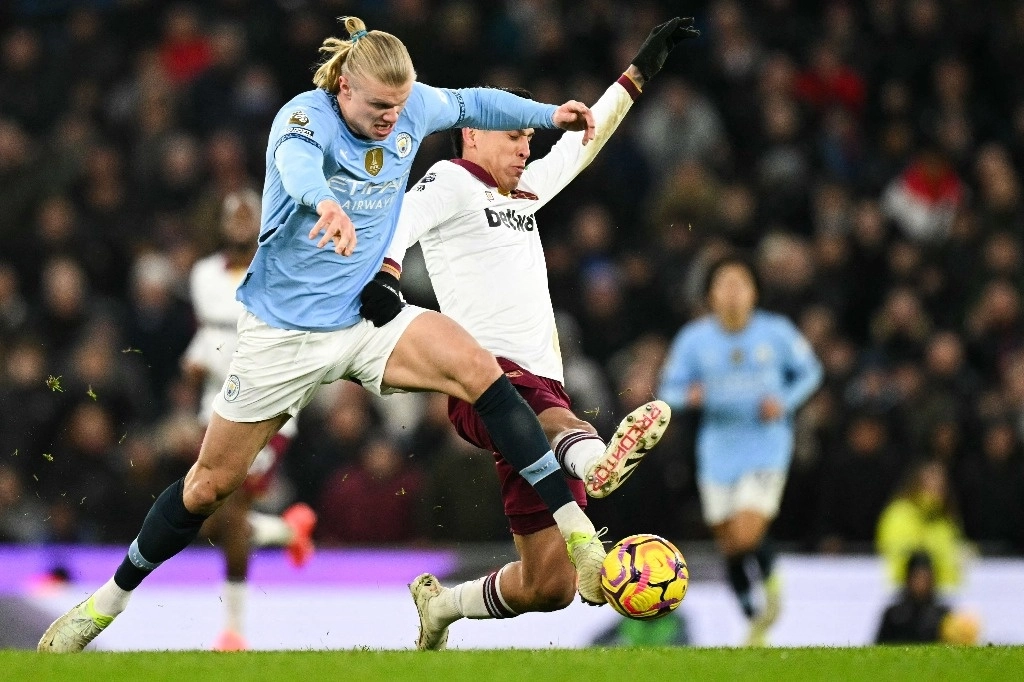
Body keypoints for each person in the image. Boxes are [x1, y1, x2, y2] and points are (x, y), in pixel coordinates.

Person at [39, 16, 608, 653]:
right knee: (208, 487)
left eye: (400, 104)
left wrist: (549, 114)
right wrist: (326, 205)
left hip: (363, 319)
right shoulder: (303, 120)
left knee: (482, 372)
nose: (394, 119)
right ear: (342, 87)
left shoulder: (410, 105)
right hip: (285, 336)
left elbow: (474, 102)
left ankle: (576, 534)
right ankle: (105, 604)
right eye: (378, 107)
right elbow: (297, 166)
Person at [364, 17, 701, 650]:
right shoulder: (452, 180)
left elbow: (582, 143)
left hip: (543, 390)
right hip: (481, 380)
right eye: (514, 136)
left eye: (528, 137)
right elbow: (399, 223)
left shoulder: (524, 193)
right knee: (545, 415)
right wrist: (385, 275)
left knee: (551, 586)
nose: (525, 147)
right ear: (471, 133)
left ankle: (441, 607)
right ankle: (594, 459)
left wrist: (639, 71)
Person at [658, 255, 823, 646]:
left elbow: (811, 371)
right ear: (711, 295)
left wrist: (783, 399)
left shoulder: (776, 332)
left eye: (741, 284)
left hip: (765, 444)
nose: (733, 292)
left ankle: (772, 584)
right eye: (724, 285)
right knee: (729, 542)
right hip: (717, 448)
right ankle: (754, 616)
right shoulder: (694, 339)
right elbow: (668, 391)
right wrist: (689, 396)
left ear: (754, 293)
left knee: (746, 533)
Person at [180, 189, 317, 651]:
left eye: (248, 213)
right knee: (207, 517)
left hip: (265, 409)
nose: (240, 220)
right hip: (213, 408)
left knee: (231, 509)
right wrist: (194, 361)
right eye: (232, 212)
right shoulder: (201, 275)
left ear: (261, 219)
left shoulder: (278, 271)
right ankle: (284, 529)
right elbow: (207, 335)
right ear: (221, 223)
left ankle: (234, 630)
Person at [876, 459, 966, 590]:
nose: (937, 488)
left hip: (943, 593)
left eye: (941, 484)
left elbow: (954, 554)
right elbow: (898, 554)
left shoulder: (946, 519)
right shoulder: (899, 514)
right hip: (904, 592)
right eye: (930, 481)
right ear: (916, 483)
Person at [875, 550, 979, 645]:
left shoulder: (943, 615)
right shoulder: (893, 615)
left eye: (925, 578)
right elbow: (878, 648)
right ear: (908, 579)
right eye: (917, 577)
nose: (921, 583)